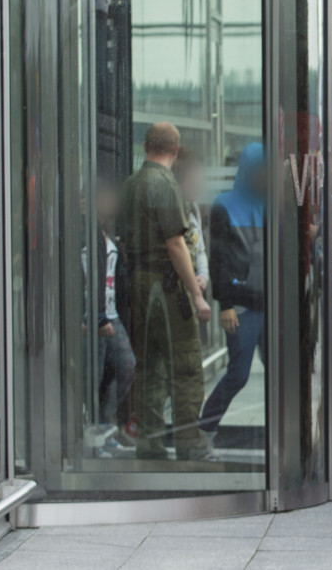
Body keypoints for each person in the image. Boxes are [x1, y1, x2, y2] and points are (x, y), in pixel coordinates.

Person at [119, 122, 214, 461]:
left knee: (149, 365)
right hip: (167, 284)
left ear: (145, 146)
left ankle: (150, 440)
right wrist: (198, 294)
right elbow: (175, 244)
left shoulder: (130, 184)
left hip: (139, 284)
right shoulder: (164, 184)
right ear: (174, 150)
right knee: (186, 364)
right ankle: (189, 443)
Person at [199, 143, 267, 448]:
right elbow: (219, 260)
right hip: (241, 305)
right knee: (238, 374)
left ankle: (284, 436)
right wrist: (225, 304)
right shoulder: (224, 205)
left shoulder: (274, 202)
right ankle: (204, 429)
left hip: (273, 304)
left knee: (282, 374)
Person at [82, 181, 136, 450]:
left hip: (111, 313)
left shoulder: (105, 229)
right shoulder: (83, 231)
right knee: (91, 376)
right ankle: (93, 435)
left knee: (127, 366)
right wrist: (91, 315)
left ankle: (104, 424)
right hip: (93, 316)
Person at [173, 148, 210, 296]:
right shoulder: (174, 209)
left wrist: (203, 276)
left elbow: (200, 249)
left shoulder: (194, 208)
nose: (199, 185)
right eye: (193, 180)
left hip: (195, 287)